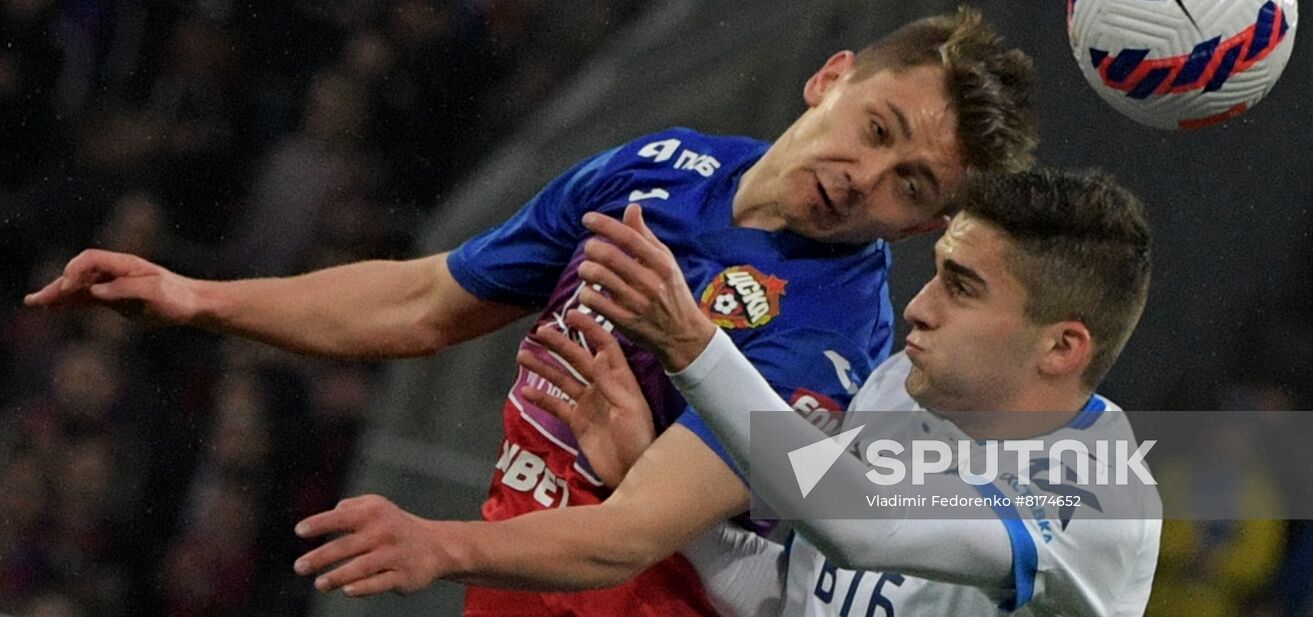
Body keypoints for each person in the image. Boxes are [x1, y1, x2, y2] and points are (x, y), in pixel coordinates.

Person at [26, 8, 1037, 615]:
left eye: (910, 183)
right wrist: (197, 294)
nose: (863, 176)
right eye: (874, 127)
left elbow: (631, 533)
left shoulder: (821, 329)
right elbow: (427, 298)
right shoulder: (659, 166)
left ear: (922, 223)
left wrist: (440, 541)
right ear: (831, 76)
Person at [294, 168, 1159, 616]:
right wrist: (654, 478)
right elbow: (789, 596)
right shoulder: (903, 387)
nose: (919, 306)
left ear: (1062, 347)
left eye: (963, 288)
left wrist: (693, 346)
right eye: (935, 272)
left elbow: (863, 523)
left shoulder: (1095, 495)